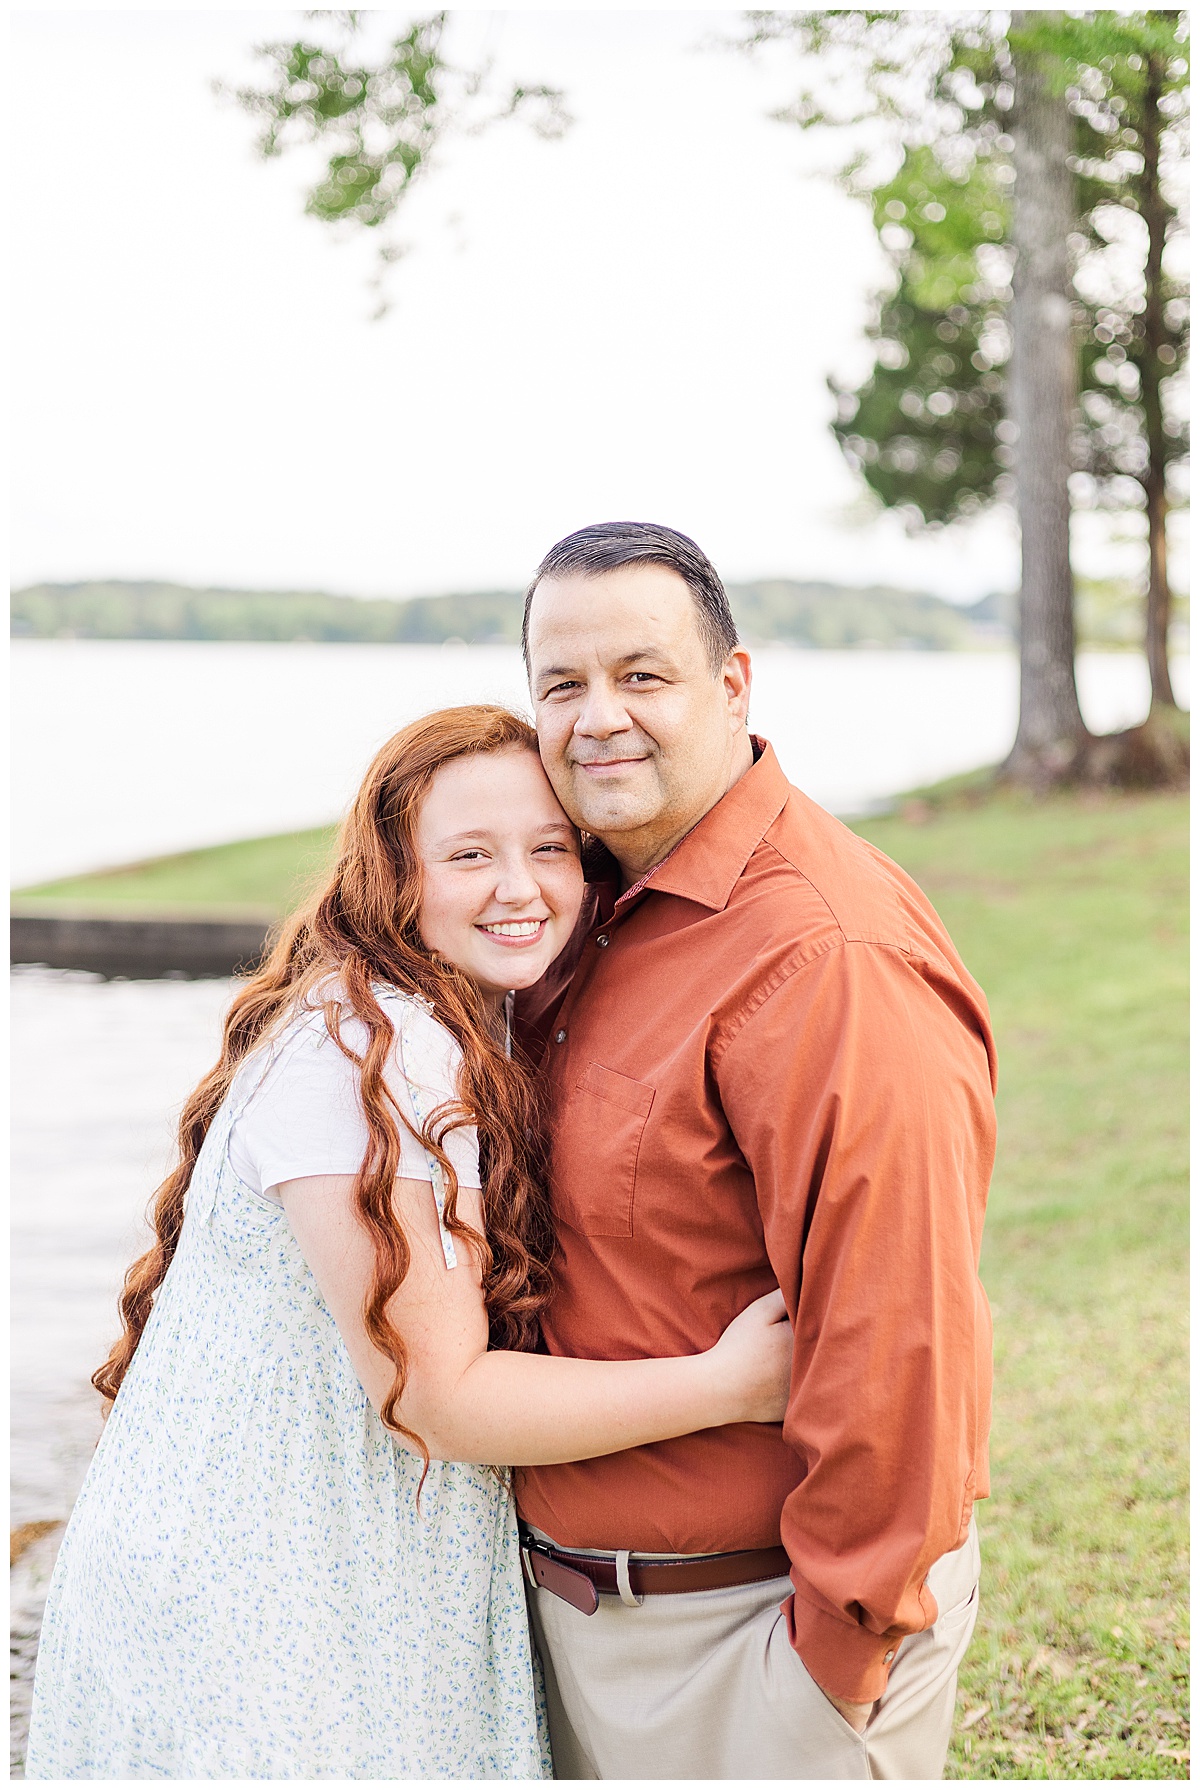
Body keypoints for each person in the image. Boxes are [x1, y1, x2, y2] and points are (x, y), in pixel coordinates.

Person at [25, 704, 792, 1781]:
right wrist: (729, 1383)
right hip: (263, 1612)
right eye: (470, 854)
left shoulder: (417, 1023)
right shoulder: (380, 1056)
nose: (519, 886)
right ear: (398, 876)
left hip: (291, 1573)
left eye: (550, 849)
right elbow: (440, 1395)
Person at [516, 521, 997, 1781]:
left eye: (642, 674)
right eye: (561, 684)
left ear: (732, 686)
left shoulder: (825, 953)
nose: (597, 717)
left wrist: (834, 1669)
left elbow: (903, 1338)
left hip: (757, 1644)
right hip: (583, 1628)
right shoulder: (579, 909)